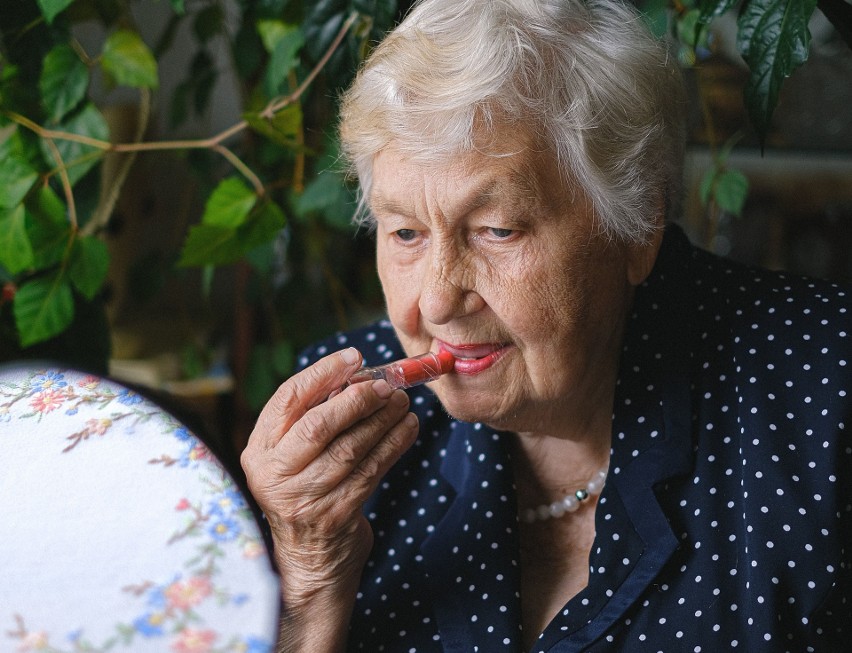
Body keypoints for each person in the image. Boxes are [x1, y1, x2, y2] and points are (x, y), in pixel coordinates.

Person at [240, 0, 852, 650]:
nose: (438, 302)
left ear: (639, 221)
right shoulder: (337, 435)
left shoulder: (826, 396)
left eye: (497, 229)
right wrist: (310, 579)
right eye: (406, 232)